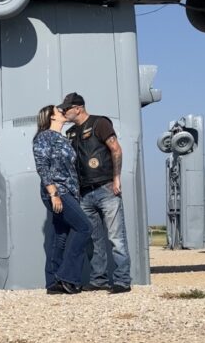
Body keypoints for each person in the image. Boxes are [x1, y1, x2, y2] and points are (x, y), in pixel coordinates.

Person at [58, 93, 132, 293]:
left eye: (67, 108)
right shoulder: (71, 133)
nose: (64, 112)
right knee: (93, 239)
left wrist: (116, 178)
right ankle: (99, 280)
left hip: (106, 188)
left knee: (116, 238)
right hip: (84, 193)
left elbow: (116, 149)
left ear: (78, 108)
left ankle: (122, 281)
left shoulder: (100, 123)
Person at [32, 105, 92, 295]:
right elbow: (42, 165)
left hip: (69, 192)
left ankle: (53, 282)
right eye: (59, 111)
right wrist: (53, 193)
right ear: (51, 117)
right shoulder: (44, 137)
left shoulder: (63, 138)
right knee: (84, 227)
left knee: (61, 235)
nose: (63, 112)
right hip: (58, 191)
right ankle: (67, 276)